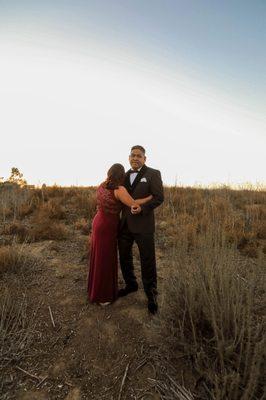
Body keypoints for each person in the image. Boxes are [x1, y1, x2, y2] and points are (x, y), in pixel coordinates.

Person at [87, 163, 152, 306]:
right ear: (122, 176)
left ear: (109, 173)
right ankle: (103, 296)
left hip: (98, 221)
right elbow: (133, 204)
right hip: (107, 226)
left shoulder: (102, 185)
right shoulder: (119, 189)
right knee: (105, 259)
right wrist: (148, 199)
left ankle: (94, 289)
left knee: (99, 256)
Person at [118, 145, 164, 314]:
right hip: (124, 225)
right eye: (132, 155)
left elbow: (159, 198)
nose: (135, 158)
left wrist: (143, 208)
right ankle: (131, 284)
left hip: (144, 224)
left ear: (145, 158)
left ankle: (151, 296)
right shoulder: (123, 176)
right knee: (124, 257)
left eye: (139, 155)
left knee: (147, 260)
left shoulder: (153, 173)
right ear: (129, 158)